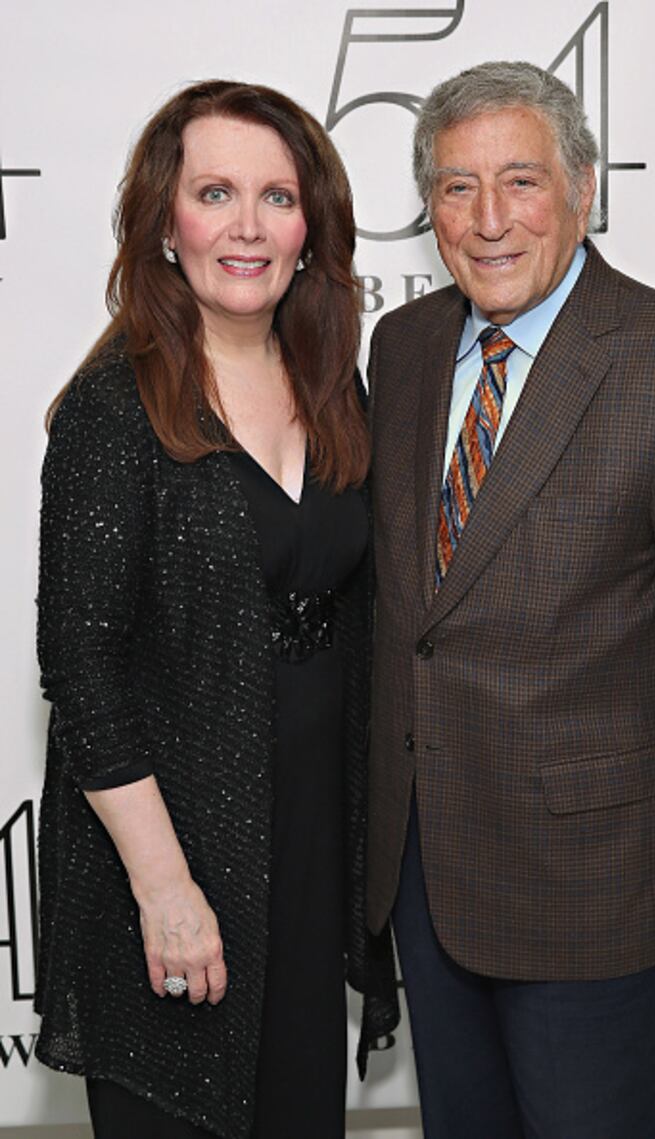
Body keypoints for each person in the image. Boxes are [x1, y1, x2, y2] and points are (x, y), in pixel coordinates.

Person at [366, 60, 655, 1139]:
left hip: (598, 880)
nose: (489, 219)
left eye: (520, 181)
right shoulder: (402, 348)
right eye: (457, 187)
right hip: (428, 867)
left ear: (583, 189)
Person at [35, 79, 397, 1139]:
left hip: (307, 848)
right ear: (165, 223)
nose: (247, 226)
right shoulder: (115, 408)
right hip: (170, 858)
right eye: (214, 193)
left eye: (277, 198)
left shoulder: (333, 387)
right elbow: (82, 671)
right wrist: (165, 887)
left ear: (309, 230)